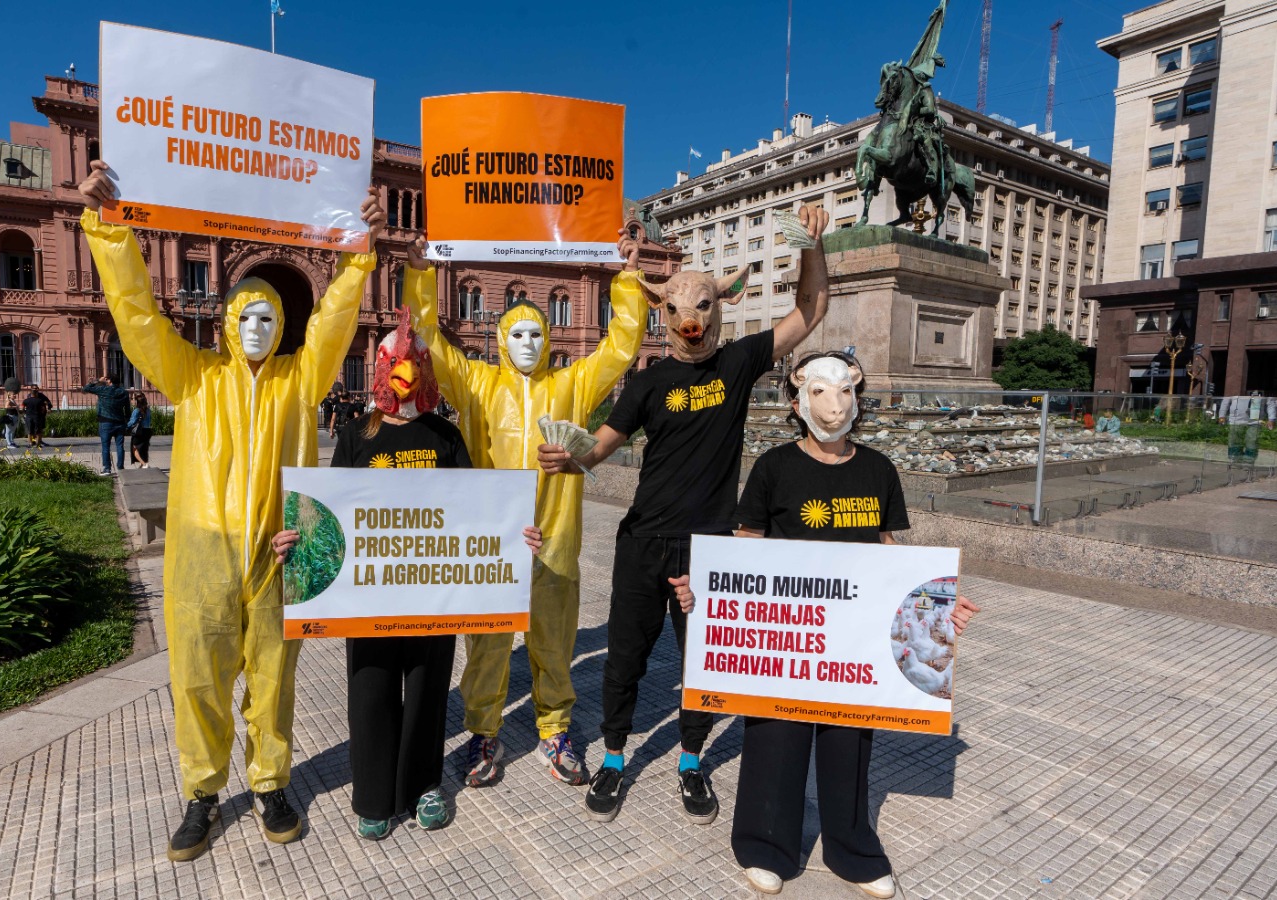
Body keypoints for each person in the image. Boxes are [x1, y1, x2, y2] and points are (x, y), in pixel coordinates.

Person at [80, 159, 384, 861]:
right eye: (245, 317)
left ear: (283, 328)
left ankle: (272, 781)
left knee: (274, 677)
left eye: (269, 318)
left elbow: (335, 324)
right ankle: (202, 794)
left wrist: (359, 260)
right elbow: (136, 317)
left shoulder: (300, 379)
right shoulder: (193, 375)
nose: (256, 327)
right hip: (202, 553)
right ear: (223, 323)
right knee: (199, 675)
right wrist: (107, 227)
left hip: (280, 548)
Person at [539, 204, 833, 825]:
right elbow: (601, 447)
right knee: (625, 657)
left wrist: (810, 244)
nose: (690, 320)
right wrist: (568, 457)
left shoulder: (739, 363)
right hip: (642, 542)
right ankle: (615, 757)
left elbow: (810, 311)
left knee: (704, 661)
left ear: (720, 306)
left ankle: (691, 760)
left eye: (702, 306)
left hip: (708, 549)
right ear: (661, 312)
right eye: (676, 309)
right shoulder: (648, 383)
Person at [670, 353, 979, 898]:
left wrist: (937, 607)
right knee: (774, 739)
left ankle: (852, 850)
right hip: (789, 636)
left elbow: (890, 552)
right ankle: (765, 846)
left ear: (856, 399)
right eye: (818, 392)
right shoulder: (773, 467)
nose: (832, 406)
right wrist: (709, 590)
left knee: (848, 748)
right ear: (797, 401)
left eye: (842, 392)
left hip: (852, 643)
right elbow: (747, 546)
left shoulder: (879, 470)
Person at [272, 309, 544, 840]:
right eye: (395, 362)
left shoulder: (444, 434)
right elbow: (329, 513)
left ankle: (423, 784)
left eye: (413, 362)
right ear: (382, 368)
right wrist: (296, 539)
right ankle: (373, 795)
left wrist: (516, 536)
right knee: (370, 694)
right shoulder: (356, 434)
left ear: (425, 368)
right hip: (369, 597)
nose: (405, 372)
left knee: (426, 692)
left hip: (432, 597)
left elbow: (475, 508)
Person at [404, 231, 646, 788]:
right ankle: (484, 731)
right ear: (499, 338)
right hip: (492, 542)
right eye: (518, 334)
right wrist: (419, 276)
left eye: (538, 332)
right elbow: (431, 342)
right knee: (486, 642)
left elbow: (619, 347)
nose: (530, 343)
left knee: (554, 639)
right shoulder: (476, 384)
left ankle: (554, 730)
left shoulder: (572, 384)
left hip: (555, 539)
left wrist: (627, 280)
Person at [81, 372, 132, 475]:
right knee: (120, 446)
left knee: (105, 447)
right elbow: (127, 410)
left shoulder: (103, 390)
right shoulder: (124, 393)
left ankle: (107, 469)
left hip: (105, 422)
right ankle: (121, 468)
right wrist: (127, 421)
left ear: (109, 381)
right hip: (119, 422)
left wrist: (98, 381)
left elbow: (85, 389)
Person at [1217, 390, 1276, 464]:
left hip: (1255, 420)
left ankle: (1249, 461)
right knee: (1234, 440)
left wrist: (1271, 418)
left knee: (1252, 441)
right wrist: (1222, 416)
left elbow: (1270, 403)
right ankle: (1235, 460)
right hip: (1235, 420)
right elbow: (1226, 401)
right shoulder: (1235, 388)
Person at [129, 392, 153, 468]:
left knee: (134, 448)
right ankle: (144, 463)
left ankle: (144, 463)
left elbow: (132, 421)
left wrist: (125, 426)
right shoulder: (148, 410)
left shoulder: (136, 411)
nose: (131, 400)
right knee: (144, 448)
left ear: (137, 401)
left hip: (139, 431)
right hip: (147, 430)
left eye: (132, 399)